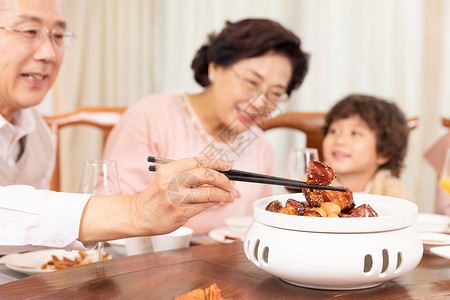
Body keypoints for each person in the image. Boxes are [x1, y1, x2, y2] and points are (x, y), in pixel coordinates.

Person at [0, 0, 235, 254]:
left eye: (58, 35)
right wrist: (137, 211)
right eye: (29, 32)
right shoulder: (154, 112)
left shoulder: (38, 132)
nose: (48, 53)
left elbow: (28, 241)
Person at [104, 18, 309, 235]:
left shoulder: (260, 144)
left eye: (275, 93)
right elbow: (110, 209)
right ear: (215, 68)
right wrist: (176, 196)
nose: (260, 103)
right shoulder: (150, 115)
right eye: (251, 82)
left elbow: (259, 227)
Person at [322, 94, 410, 200]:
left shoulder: (393, 192)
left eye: (355, 133)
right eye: (334, 131)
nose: (339, 140)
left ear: (383, 152)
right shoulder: (307, 185)